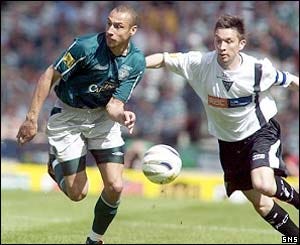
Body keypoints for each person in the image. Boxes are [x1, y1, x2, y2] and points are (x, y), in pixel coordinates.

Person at [146, 14, 299, 238]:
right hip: (229, 144)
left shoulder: (257, 69)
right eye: (218, 40)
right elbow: (163, 58)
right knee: (262, 205)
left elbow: (291, 80)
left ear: (241, 44)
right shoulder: (200, 63)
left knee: (263, 183)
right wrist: (134, 65)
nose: (222, 46)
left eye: (229, 41)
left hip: (260, 132)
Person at [16, 5, 145, 244]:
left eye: (118, 26)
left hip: (102, 118)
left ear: (133, 30)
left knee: (116, 186)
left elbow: (113, 106)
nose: (110, 30)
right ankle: (55, 164)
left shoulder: (136, 62)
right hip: (69, 116)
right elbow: (49, 75)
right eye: (109, 23)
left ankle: (94, 240)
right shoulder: (85, 47)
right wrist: (31, 118)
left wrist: (123, 115)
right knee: (78, 193)